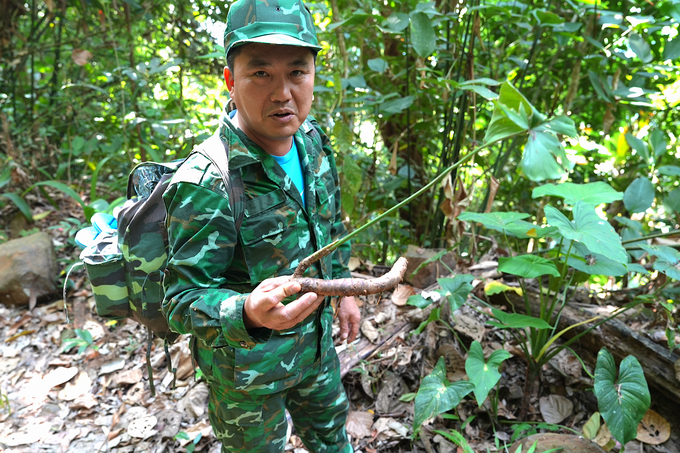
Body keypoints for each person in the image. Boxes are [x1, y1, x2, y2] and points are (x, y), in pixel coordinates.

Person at [161, 0, 361, 451]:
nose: (282, 93)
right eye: (260, 74)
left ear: (313, 75)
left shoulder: (311, 142)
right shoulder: (207, 180)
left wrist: (344, 292)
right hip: (246, 376)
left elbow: (328, 224)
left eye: (297, 72)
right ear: (231, 80)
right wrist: (246, 310)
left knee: (332, 438)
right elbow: (180, 301)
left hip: (315, 350)